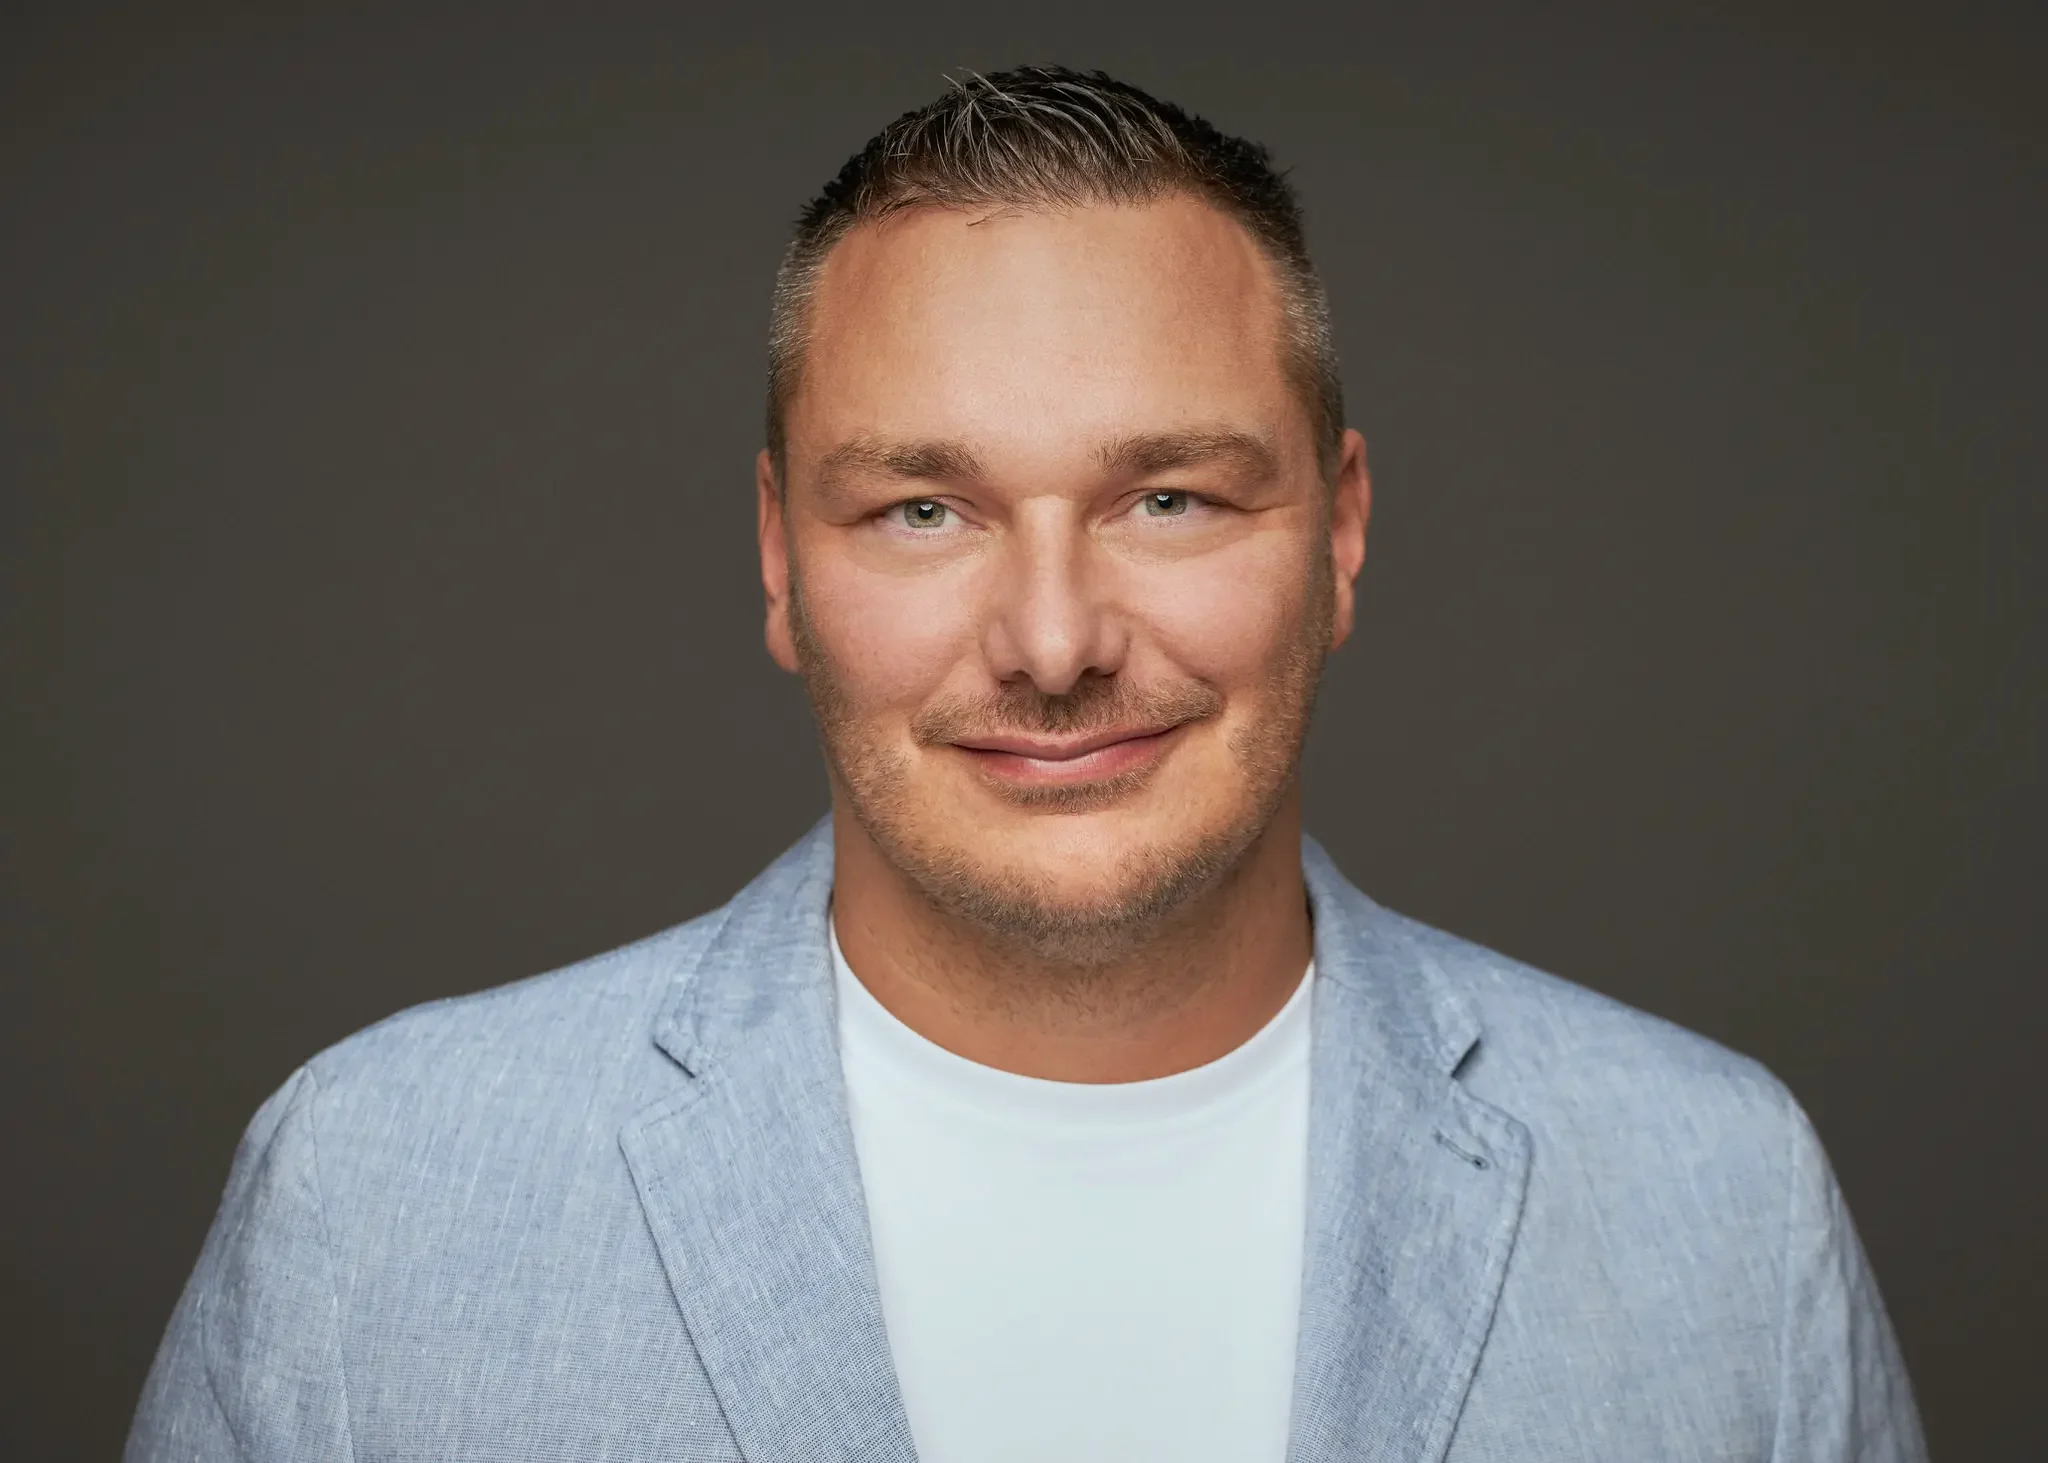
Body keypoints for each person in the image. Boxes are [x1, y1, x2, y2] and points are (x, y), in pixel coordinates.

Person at [127, 66, 1926, 1463]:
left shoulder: (1720, 1203)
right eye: (924, 508)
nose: (1055, 643)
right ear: (779, 560)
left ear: (1342, 533)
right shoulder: (375, 1201)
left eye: (1171, 497)